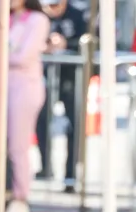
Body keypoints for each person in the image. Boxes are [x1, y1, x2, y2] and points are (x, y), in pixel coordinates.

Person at [0, 0, 49, 212]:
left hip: (25, 88)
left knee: (18, 146)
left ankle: (20, 200)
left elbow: (24, 55)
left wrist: (0, 52)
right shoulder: (4, 19)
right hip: (2, 87)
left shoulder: (38, 20)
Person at [35, 0, 89, 190]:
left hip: (71, 77)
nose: (53, 9)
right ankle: (45, 168)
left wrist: (67, 44)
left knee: (73, 125)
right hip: (43, 76)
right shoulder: (37, 15)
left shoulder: (79, 14)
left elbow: (90, 42)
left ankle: (70, 177)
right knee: (42, 123)